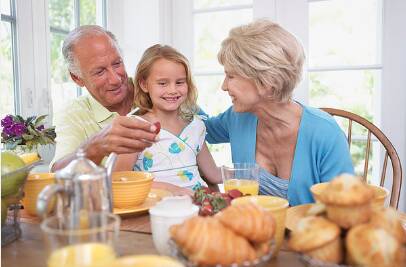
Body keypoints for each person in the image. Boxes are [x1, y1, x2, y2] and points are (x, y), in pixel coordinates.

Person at [203, 19, 354, 206]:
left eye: (231, 76)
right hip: (253, 232)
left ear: (265, 81)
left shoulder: (325, 133)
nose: (224, 86)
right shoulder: (237, 118)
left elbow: (345, 208)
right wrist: (175, 93)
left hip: (307, 234)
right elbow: (198, 127)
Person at [51, 25, 159, 172]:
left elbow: (197, 127)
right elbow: (56, 174)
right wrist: (96, 147)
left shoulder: (155, 90)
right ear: (77, 78)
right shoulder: (72, 113)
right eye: (100, 72)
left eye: (117, 63)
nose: (115, 79)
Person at [115, 44, 221, 191]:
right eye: (162, 83)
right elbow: (120, 180)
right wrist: (174, 190)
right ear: (144, 84)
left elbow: (214, 174)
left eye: (179, 82)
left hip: (197, 207)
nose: (173, 90)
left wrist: (250, 174)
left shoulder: (196, 125)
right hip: (155, 208)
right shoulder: (136, 129)